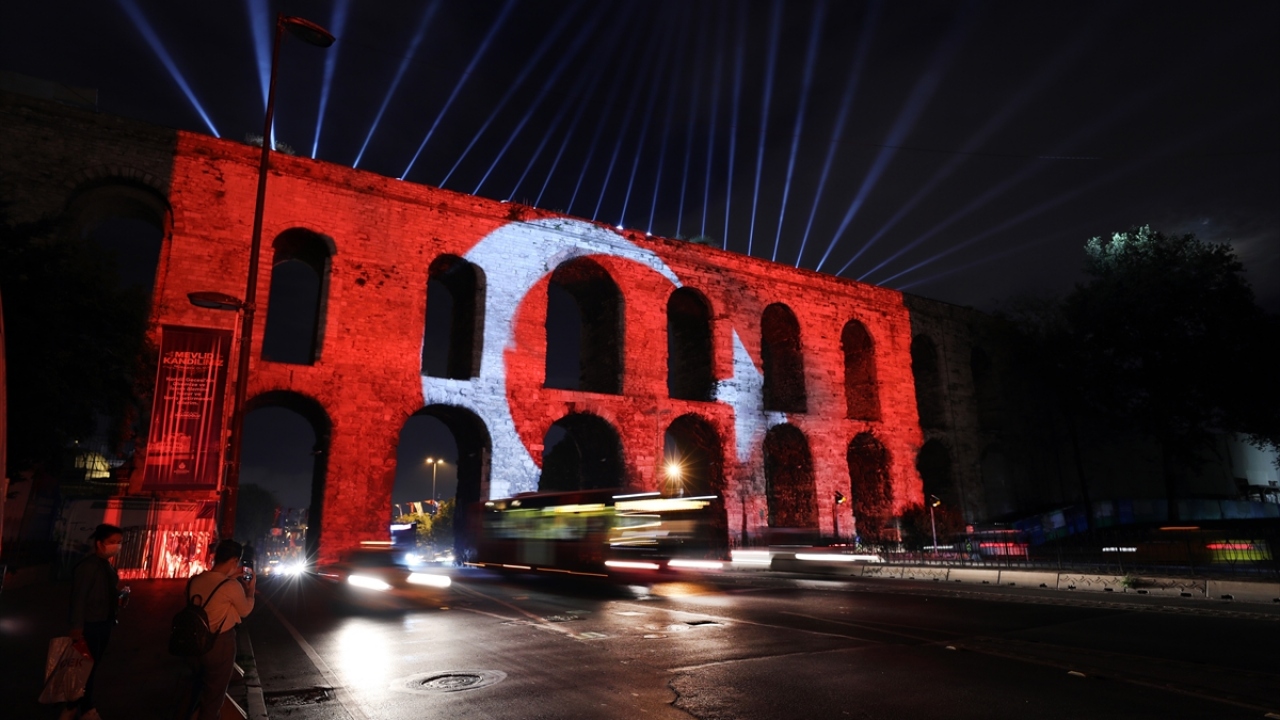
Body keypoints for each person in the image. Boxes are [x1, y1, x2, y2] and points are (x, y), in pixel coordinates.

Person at [185, 539, 257, 720]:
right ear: (234, 560)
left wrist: (231, 576)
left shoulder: (195, 580)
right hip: (220, 644)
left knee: (201, 685)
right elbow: (245, 610)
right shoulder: (231, 587)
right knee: (215, 694)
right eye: (237, 562)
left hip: (195, 642)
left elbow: (215, 585)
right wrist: (251, 590)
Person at [64, 523, 125, 720]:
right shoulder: (88, 566)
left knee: (90, 666)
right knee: (86, 667)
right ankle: (84, 708)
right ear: (99, 544)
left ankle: (75, 706)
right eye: (111, 542)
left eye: (119, 543)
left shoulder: (106, 565)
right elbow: (78, 597)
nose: (116, 546)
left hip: (104, 622)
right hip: (90, 624)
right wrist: (76, 626)